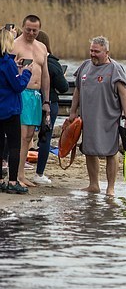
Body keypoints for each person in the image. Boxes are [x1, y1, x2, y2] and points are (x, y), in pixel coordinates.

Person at [68, 36, 126, 196]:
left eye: (96, 51)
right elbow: (77, 90)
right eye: (91, 50)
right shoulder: (84, 66)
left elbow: (124, 95)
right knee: (89, 151)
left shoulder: (115, 69)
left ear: (106, 52)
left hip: (109, 118)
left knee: (111, 152)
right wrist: (73, 111)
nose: (93, 54)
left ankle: (110, 188)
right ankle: (94, 185)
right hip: (88, 118)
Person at [11, 16, 49, 188]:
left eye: (35, 30)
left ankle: (21, 174)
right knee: (21, 135)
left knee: (29, 137)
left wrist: (46, 100)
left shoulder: (42, 47)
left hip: (36, 95)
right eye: (28, 29)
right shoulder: (15, 45)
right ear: (23, 27)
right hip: (21, 93)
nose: (31, 33)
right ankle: (15, 175)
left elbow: (45, 75)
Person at [32, 30, 69, 184]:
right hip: (49, 102)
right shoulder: (52, 63)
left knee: (23, 136)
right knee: (45, 137)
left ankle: (12, 168)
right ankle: (39, 173)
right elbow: (64, 87)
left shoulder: (26, 58)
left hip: (29, 100)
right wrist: (62, 77)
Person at [1, 24, 33, 194]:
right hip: (10, 109)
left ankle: (0, 179)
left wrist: (16, 68)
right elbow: (18, 86)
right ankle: (13, 181)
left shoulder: (8, 63)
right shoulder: (7, 63)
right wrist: (26, 72)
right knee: (14, 146)